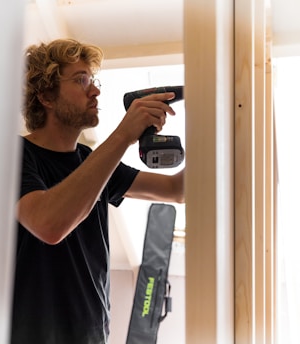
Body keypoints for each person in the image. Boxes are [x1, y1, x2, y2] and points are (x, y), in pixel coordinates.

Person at [10, 38, 185, 344]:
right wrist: (123, 135)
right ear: (46, 97)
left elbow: (176, 189)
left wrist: (213, 123)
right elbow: (49, 224)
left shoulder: (89, 162)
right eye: (80, 80)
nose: (95, 91)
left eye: (92, 80)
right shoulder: (15, 155)